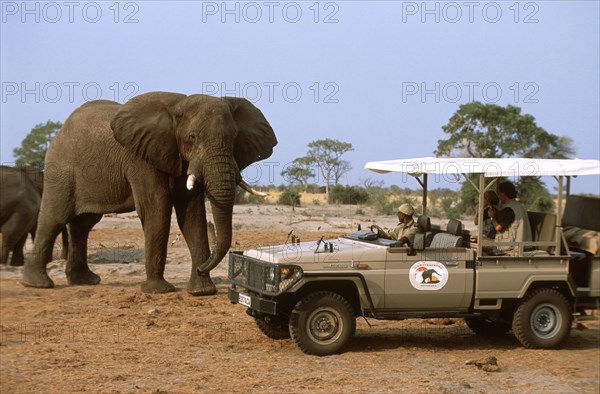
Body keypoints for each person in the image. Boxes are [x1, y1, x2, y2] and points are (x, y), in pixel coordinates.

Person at [487, 181, 532, 254]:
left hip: (513, 246)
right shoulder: (515, 205)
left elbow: (498, 227)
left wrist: (492, 217)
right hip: (514, 243)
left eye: (498, 193)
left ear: (503, 193)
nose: (498, 196)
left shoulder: (509, 209)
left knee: (482, 242)